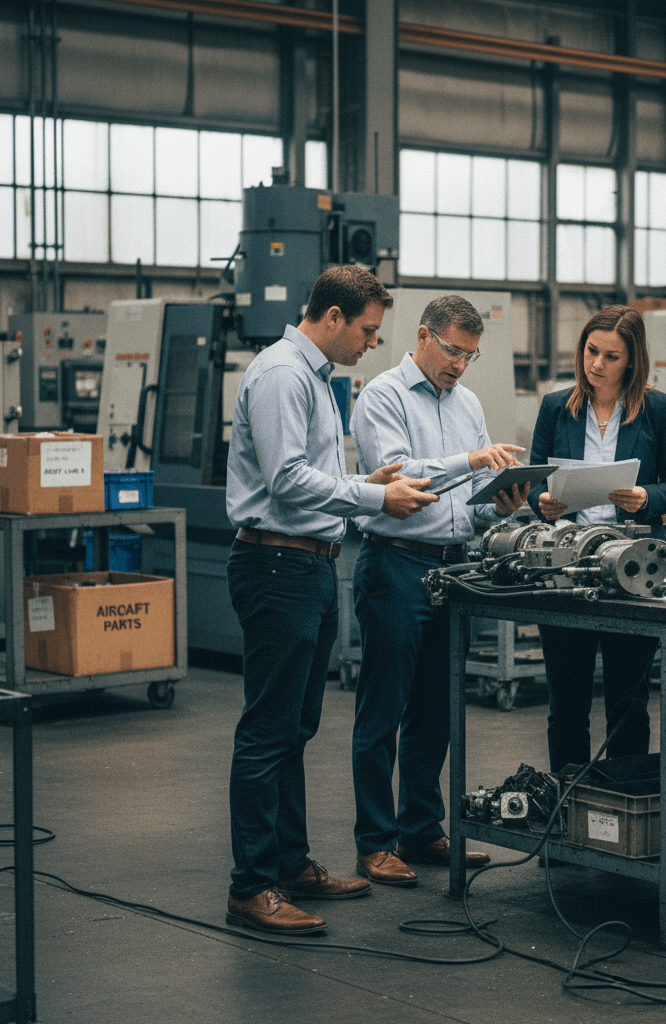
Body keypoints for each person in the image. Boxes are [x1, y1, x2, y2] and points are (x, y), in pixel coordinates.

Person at [225, 265, 439, 934]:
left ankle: (288, 864)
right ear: (335, 317)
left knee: (295, 728)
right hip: (277, 565)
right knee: (267, 732)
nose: (374, 343)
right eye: (369, 330)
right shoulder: (285, 374)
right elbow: (287, 481)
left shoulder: (313, 378)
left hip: (308, 564)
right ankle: (251, 884)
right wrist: (375, 497)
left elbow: (307, 473)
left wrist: (360, 481)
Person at [349, 294, 530, 886]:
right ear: (424, 336)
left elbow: (466, 501)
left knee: (437, 712)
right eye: (453, 351)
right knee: (383, 711)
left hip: (455, 569)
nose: (459, 365)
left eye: (470, 356)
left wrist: (501, 503)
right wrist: (472, 459)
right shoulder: (382, 396)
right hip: (396, 567)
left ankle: (420, 829)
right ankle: (375, 842)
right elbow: (401, 477)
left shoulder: (469, 402)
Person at [527, 305, 666, 773]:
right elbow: (535, 482)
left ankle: (624, 817)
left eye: (611, 356)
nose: (596, 364)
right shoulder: (556, 406)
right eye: (591, 350)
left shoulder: (658, 409)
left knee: (628, 705)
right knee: (567, 706)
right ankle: (566, 819)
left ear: (633, 361)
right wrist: (543, 500)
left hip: (631, 568)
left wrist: (646, 496)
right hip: (567, 564)